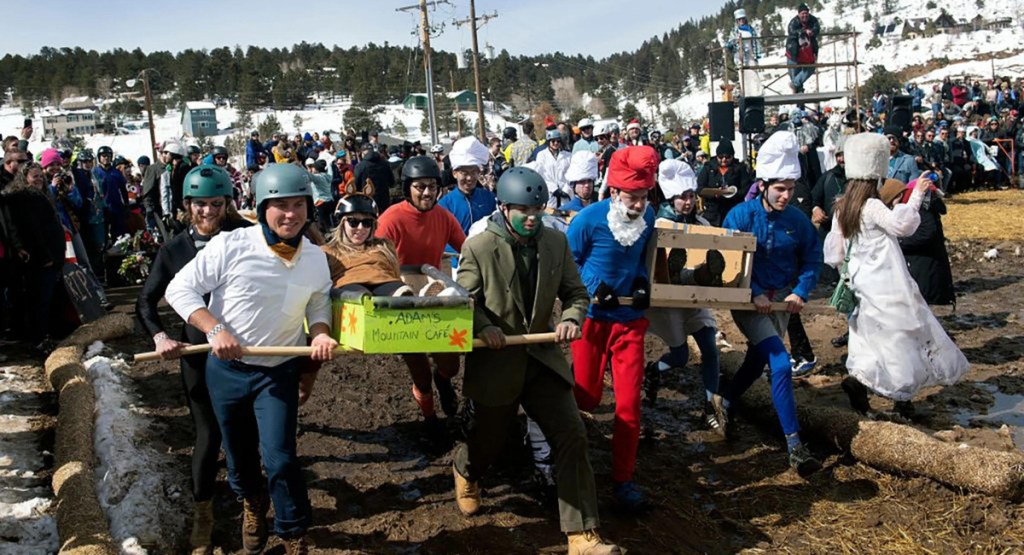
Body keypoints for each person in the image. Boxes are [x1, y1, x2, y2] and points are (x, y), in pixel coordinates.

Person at [165, 163, 335, 554]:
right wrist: (214, 329)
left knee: (281, 456)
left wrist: (321, 330)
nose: (290, 214)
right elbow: (180, 289)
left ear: (309, 207)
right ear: (261, 209)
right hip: (227, 371)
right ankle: (252, 502)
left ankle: (293, 530)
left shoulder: (314, 257)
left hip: (277, 371)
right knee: (241, 458)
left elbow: (319, 300)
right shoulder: (233, 246)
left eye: (298, 204)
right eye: (280, 206)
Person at [453, 167, 622, 555]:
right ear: (503, 207)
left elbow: (577, 293)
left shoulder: (554, 243)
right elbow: (463, 300)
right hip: (497, 360)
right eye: (524, 210)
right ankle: (466, 468)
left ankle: (582, 535)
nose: (532, 218)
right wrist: (483, 327)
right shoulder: (478, 247)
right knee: (489, 442)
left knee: (571, 434)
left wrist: (571, 317)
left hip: (542, 359)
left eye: (538, 209)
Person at [136, 165, 251, 554]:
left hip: (242, 351)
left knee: (244, 431)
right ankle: (203, 513)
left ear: (226, 203)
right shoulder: (173, 251)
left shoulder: (244, 239)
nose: (207, 212)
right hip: (197, 354)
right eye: (199, 204)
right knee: (208, 434)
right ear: (187, 205)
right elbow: (146, 300)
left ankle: (252, 503)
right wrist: (159, 335)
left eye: (215, 204)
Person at [825, 133, 969, 417]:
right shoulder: (872, 206)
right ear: (875, 176)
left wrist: (848, 274)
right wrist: (917, 195)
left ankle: (861, 385)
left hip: (861, 282)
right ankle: (903, 399)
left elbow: (835, 251)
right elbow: (902, 226)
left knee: (867, 336)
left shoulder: (842, 207)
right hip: (887, 282)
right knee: (902, 334)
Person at [721, 131, 823, 477]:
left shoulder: (797, 221)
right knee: (779, 362)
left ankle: (727, 399)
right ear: (763, 184)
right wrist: (752, 293)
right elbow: (726, 264)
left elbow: (812, 259)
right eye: (780, 189)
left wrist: (801, 292)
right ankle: (795, 446)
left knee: (755, 358)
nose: (786, 196)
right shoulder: (739, 216)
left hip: (780, 302)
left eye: (791, 189)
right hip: (747, 300)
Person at [567, 146, 658, 512]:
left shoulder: (649, 220)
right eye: (632, 197)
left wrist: (641, 284)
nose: (637, 205)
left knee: (628, 405)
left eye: (643, 197)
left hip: (629, 324)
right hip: (592, 320)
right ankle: (552, 442)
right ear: (615, 192)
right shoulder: (587, 220)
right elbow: (568, 262)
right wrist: (592, 286)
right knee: (586, 396)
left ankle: (624, 479)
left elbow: (647, 262)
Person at [376, 156, 466, 441]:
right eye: (420, 187)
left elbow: (466, 249)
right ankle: (429, 419)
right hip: (402, 298)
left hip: (435, 294)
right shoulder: (391, 218)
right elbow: (376, 260)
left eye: (432, 186)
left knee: (451, 365)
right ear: (407, 188)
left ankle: (444, 381)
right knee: (419, 373)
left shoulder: (443, 216)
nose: (427, 193)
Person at [645, 159, 725, 433]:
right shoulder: (660, 223)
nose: (688, 202)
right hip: (669, 300)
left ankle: (710, 406)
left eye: (691, 196)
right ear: (671, 198)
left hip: (695, 296)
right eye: (682, 197)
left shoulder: (701, 222)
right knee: (680, 356)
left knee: (711, 350)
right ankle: (653, 372)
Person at [1, 162, 66, 351]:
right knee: (40, 300)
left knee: (47, 299)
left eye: (40, 176)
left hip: (51, 255)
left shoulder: (38, 195)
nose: (38, 179)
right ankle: (39, 339)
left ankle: (44, 335)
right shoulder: (25, 198)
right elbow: (32, 230)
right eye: (34, 176)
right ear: (25, 178)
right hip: (41, 258)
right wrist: (46, 256)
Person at [321, 181, 411, 297]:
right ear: (342, 223)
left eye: (366, 223)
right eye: (353, 222)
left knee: (402, 292)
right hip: (349, 286)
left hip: (385, 282)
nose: (360, 228)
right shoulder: (328, 252)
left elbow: (395, 273)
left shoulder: (383, 247)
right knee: (361, 297)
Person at [696, 139, 750, 227]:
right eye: (720, 157)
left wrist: (731, 193)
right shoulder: (708, 167)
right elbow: (699, 188)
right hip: (712, 212)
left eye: (727, 157)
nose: (724, 160)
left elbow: (746, 188)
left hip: (732, 209)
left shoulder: (740, 168)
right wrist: (714, 193)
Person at [785, 3, 820, 94]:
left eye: (806, 13)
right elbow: (791, 31)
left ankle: (794, 84)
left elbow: (817, 28)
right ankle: (799, 105)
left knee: (810, 69)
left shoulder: (813, 20)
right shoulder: (794, 22)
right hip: (794, 53)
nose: (805, 15)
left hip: (807, 53)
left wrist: (812, 32)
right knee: (795, 76)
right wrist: (803, 31)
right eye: (802, 13)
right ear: (799, 14)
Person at [535, 129, 573, 209]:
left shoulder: (568, 155)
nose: (556, 143)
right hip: (550, 193)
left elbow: (571, 173)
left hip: (565, 193)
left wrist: (566, 189)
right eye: (553, 141)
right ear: (548, 142)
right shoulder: (542, 155)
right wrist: (553, 189)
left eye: (558, 141)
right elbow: (541, 174)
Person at [353, 142, 395, 211]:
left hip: (366, 201)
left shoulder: (360, 166)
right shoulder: (385, 164)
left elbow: (355, 186)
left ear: (363, 153)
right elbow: (392, 183)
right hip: (384, 201)